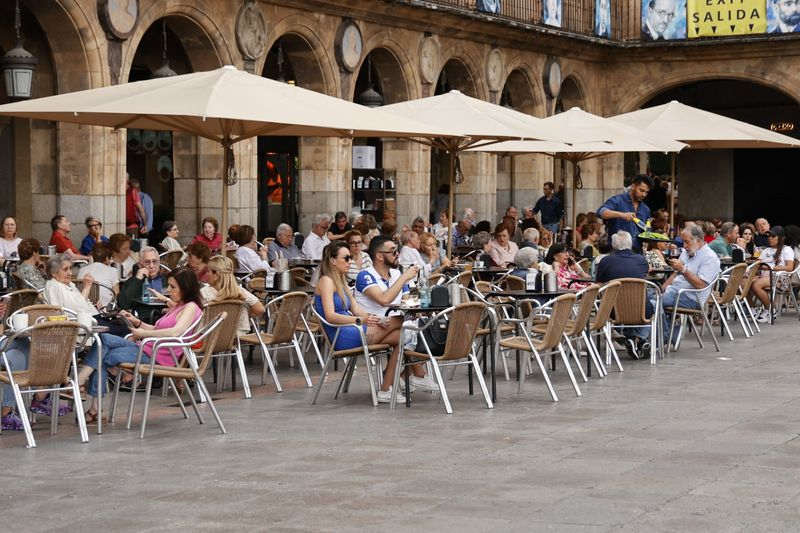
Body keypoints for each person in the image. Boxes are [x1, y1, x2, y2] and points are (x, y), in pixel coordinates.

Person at [76, 268, 204, 423]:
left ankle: (80, 387)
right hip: (147, 348)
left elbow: (175, 332)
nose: (169, 290)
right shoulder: (178, 306)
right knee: (102, 339)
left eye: (173, 287)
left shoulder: (190, 307)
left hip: (158, 356)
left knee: (101, 353)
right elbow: (159, 330)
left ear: (186, 288)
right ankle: (88, 392)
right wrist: (139, 323)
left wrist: (143, 334)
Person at [314, 241, 406, 404]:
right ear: (333, 261)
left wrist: (376, 319)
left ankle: (385, 389)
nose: (351, 261)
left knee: (401, 337)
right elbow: (330, 316)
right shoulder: (326, 281)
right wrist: (362, 320)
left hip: (353, 327)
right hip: (340, 334)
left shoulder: (340, 281)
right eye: (347, 258)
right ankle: (411, 375)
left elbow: (356, 309)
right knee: (400, 320)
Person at [354, 236, 439, 392]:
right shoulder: (365, 275)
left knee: (418, 332)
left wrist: (417, 287)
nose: (397, 254)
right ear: (379, 255)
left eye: (397, 250)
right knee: (413, 331)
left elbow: (410, 302)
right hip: (372, 330)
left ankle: (398, 383)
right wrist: (405, 277)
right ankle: (414, 376)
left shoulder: (395, 274)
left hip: (394, 326)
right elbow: (384, 300)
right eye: (393, 252)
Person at [656, 224, 721, 344]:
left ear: (698, 240)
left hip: (691, 297)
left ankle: (663, 337)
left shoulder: (710, 257)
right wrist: (661, 288)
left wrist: (684, 270)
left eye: (687, 242)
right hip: (675, 291)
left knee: (654, 303)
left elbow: (701, 285)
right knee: (650, 297)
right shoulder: (687, 251)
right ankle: (669, 334)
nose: (684, 246)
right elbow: (675, 274)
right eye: (683, 242)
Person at [595, 231, 651, 358]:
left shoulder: (605, 261)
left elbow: (599, 285)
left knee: (650, 302)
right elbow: (647, 272)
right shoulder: (641, 260)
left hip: (613, 311)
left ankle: (633, 338)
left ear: (613, 246)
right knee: (655, 303)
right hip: (640, 310)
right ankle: (638, 338)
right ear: (630, 244)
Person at [43, 254, 128, 337]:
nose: (70, 273)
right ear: (54, 273)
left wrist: (93, 306)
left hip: (93, 318)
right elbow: (78, 309)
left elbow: (77, 303)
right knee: (126, 330)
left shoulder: (64, 284)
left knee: (124, 324)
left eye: (70, 268)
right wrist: (87, 287)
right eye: (65, 269)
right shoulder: (56, 286)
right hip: (86, 324)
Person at [201, 256, 265, 334]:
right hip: (235, 338)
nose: (206, 274)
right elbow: (260, 309)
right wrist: (244, 312)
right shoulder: (239, 291)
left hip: (209, 338)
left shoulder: (204, 293)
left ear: (216, 275)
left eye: (208, 271)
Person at [749, 226, 795, 323]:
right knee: (742, 284)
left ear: (781, 238)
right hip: (764, 275)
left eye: (773, 236)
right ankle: (752, 308)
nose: (769, 238)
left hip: (781, 279)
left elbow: (790, 267)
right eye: (769, 236)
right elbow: (758, 263)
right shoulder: (766, 250)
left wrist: (769, 268)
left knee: (756, 285)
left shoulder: (786, 250)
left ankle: (770, 309)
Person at [597, 174, 652, 252]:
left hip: (637, 252)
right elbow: (600, 212)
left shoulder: (646, 209)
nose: (643, 195)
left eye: (646, 192)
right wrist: (622, 215)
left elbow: (647, 231)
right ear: (633, 186)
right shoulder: (617, 201)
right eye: (641, 190)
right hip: (617, 252)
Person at [117, 246, 168, 312]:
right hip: (141, 318)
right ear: (140, 265)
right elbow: (123, 305)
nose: (151, 266)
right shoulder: (132, 282)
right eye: (147, 262)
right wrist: (137, 280)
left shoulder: (168, 280)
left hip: (164, 318)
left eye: (155, 261)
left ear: (159, 262)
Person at [77, 242, 120, 308]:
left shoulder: (82, 270)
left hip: (84, 305)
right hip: (104, 308)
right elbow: (116, 292)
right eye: (110, 257)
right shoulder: (112, 271)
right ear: (106, 258)